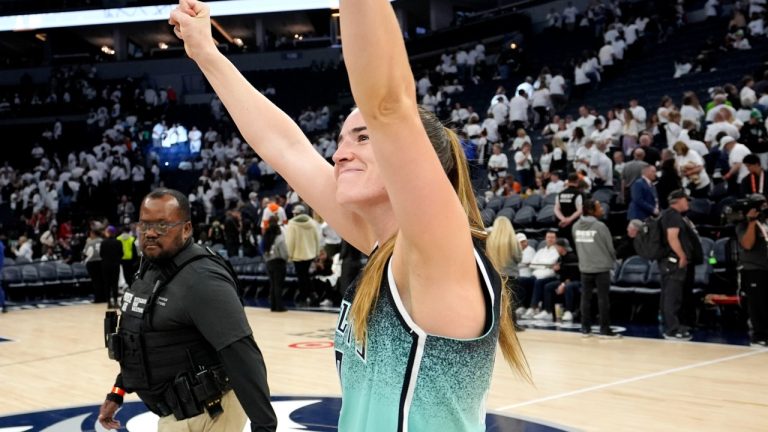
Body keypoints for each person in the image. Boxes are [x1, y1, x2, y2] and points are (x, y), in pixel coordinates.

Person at [171, 0, 528, 429]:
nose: (340, 154)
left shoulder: (438, 254)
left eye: (362, 137)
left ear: (414, 158)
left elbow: (388, 105)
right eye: (340, 141)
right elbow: (285, 147)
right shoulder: (382, 248)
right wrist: (207, 54)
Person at [98, 188, 277, 431]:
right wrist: (117, 393)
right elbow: (138, 342)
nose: (150, 233)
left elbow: (242, 354)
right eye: (144, 224)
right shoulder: (150, 268)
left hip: (209, 416)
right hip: (177, 416)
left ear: (186, 228)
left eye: (162, 225)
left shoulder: (202, 278)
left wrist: (264, 426)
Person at [659, 190, 703, 341]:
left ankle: (676, 325)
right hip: (673, 262)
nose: (688, 203)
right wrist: (682, 255)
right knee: (672, 295)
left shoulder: (673, 215)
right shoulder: (672, 215)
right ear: (677, 200)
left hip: (672, 261)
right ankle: (672, 329)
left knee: (675, 295)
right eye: (686, 200)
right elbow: (672, 238)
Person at [572, 199, 620, 338]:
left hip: (585, 267)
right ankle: (604, 329)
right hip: (601, 267)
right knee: (603, 299)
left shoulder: (575, 226)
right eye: (599, 207)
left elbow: (577, 246)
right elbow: (610, 248)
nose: (602, 209)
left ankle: (585, 329)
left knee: (585, 299)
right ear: (591, 211)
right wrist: (613, 260)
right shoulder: (600, 226)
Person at [735, 194, 768, 347]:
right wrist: (752, 222)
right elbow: (747, 244)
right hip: (753, 268)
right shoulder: (742, 225)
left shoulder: (765, 222)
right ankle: (758, 336)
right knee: (757, 304)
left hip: (765, 267)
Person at [285, 204, 323, 306]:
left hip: (297, 255)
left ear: (296, 213)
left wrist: (289, 255)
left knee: (301, 277)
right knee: (306, 276)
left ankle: (304, 296)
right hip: (310, 254)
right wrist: (316, 252)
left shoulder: (292, 224)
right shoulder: (312, 222)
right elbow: (317, 239)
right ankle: (311, 294)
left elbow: (290, 241)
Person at [262, 216, 288, 312]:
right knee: (278, 285)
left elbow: (263, 250)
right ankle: (279, 306)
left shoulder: (266, 237)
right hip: (279, 262)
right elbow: (284, 253)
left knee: (272, 285)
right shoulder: (280, 239)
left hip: (269, 262)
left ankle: (273, 306)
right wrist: (287, 259)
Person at [554, 173, 584, 243]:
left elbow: (556, 209)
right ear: (577, 181)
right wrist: (569, 220)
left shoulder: (560, 194)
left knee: (564, 246)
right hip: (575, 225)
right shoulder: (579, 194)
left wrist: (563, 219)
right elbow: (580, 210)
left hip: (562, 224)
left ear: (568, 181)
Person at [100, 225, 124, 309]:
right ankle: (116, 302)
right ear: (114, 233)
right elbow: (121, 254)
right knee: (115, 284)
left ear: (108, 233)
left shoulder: (103, 242)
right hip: (115, 265)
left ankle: (109, 302)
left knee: (107, 284)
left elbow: (101, 254)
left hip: (105, 265)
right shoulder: (118, 242)